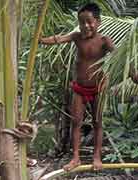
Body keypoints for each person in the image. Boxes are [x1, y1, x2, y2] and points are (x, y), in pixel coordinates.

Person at [39, 3, 115, 171]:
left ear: (98, 22)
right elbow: (59, 39)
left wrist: (133, 74)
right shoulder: (76, 37)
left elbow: (118, 57)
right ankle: (75, 158)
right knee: (76, 122)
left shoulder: (104, 40)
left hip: (98, 89)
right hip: (79, 89)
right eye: (81, 22)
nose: (85, 26)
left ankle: (96, 157)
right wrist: (41, 40)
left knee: (97, 122)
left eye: (89, 21)